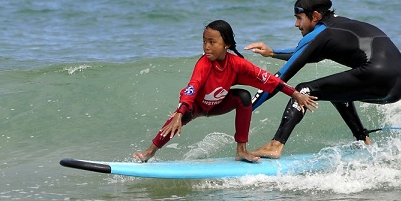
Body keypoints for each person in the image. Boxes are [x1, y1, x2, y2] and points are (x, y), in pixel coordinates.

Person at [244, 0, 401, 159]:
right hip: (399, 85)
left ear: (315, 16)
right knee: (338, 92)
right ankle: (363, 140)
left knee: (303, 91)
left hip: (377, 75)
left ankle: (275, 145)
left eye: (299, 18)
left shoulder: (320, 34)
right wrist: (273, 53)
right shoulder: (338, 25)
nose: (296, 24)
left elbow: (278, 80)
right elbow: (308, 53)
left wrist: (247, 108)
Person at [134, 20, 318, 163]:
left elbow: (268, 79)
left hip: (219, 104)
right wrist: (180, 112)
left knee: (243, 97)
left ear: (226, 44)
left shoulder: (236, 64)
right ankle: (149, 152)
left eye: (212, 42)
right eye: (204, 41)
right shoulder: (204, 64)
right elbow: (192, 87)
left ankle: (241, 150)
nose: (206, 46)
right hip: (196, 105)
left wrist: (295, 94)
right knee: (175, 121)